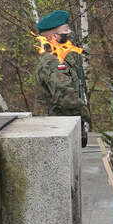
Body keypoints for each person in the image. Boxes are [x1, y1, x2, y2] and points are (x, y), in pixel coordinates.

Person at [34, 9, 90, 146]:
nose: (69, 36)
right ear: (54, 37)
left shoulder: (63, 58)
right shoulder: (53, 63)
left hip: (65, 127)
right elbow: (67, 99)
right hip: (58, 130)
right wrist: (87, 115)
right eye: (65, 33)